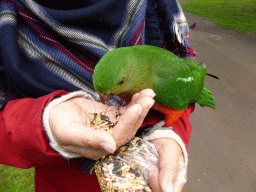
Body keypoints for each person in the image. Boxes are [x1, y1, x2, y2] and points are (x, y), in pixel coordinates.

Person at [0, 0, 196, 191]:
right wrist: (43, 124)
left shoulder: (158, 9)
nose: (106, 100)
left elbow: (182, 86)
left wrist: (167, 131)